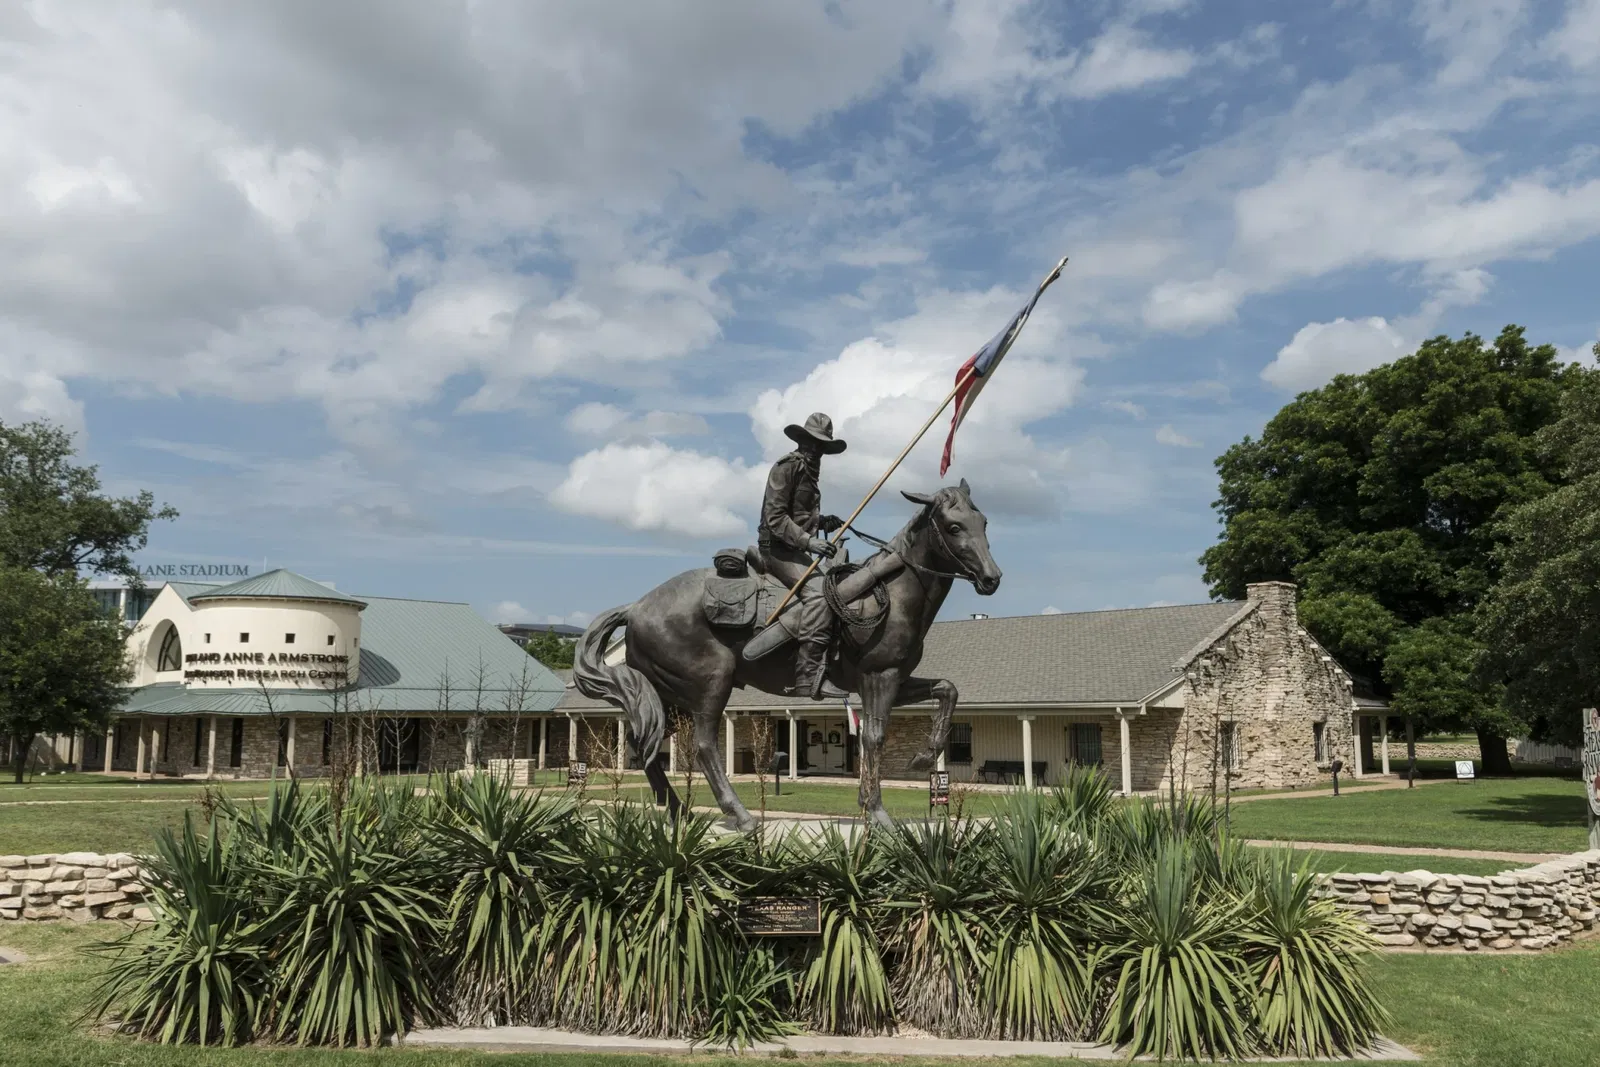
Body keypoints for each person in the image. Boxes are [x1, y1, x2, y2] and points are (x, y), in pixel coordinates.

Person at [759, 412, 849, 700]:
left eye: (821, 447)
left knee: (838, 591)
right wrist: (811, 542)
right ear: (802, 441)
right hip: (777, 549)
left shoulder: (809, 471)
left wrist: (822, 521)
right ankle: (808, 676)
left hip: (796, 548)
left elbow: (799, 515)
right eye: (812, 444)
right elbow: (775, 518)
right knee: (820, 597)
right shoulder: (785, 468)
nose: (816, 451)